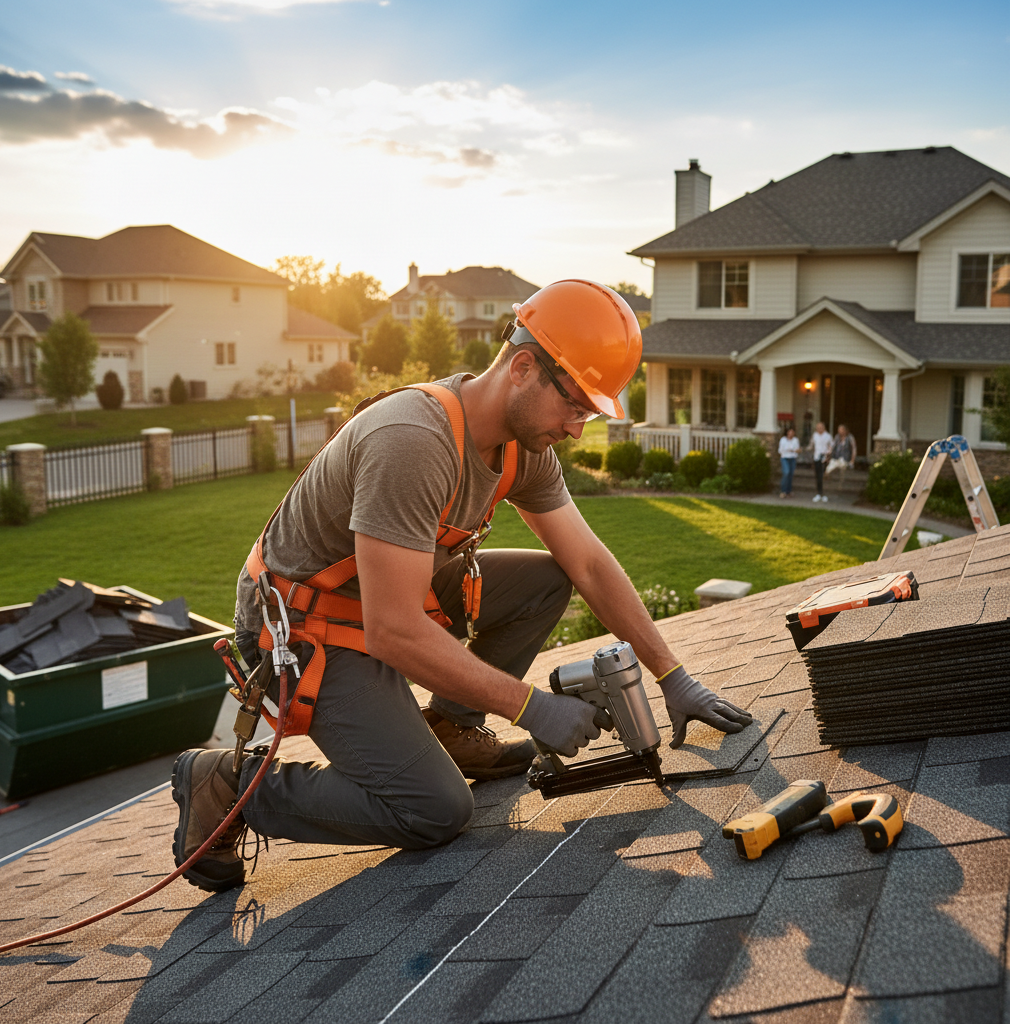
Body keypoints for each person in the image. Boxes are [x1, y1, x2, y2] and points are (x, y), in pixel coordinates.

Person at [169, 279, 753, 892]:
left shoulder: (521, 448)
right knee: (434, 810)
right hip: (304, 626)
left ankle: (452, 727)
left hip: (384, 596)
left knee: (546, 580)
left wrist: (672, 675)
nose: (578, 429)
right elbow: (393, 630)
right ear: (523, 368)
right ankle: (227, 786)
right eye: (576, 406)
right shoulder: (412, 441)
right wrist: (531, 707)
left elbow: (588, 564)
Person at [810, 421, 833, 503]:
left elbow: (831, 446)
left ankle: (825, 494)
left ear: (824, 428)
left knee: (824, 476)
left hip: (825, 458)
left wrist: (828, 454)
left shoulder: (828, 436)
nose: (819, 429)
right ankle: (819, 493)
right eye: (818, 428)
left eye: (821, 427)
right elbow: (812, 445)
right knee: (818, 476)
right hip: (817, 458)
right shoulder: (815, 435)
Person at [778, 426, 799, 498]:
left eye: (792, 432)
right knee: (786, 472)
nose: (791, 434)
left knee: (790, 474)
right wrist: (789, 450)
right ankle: (783, 491)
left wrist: (793, 450)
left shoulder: (796, 440)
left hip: (792, 458)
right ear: (787, 433)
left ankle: (788, 491)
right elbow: (780, 450)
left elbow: (797, 449)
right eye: (790, 432)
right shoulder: (783, 440)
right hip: (785, 458)